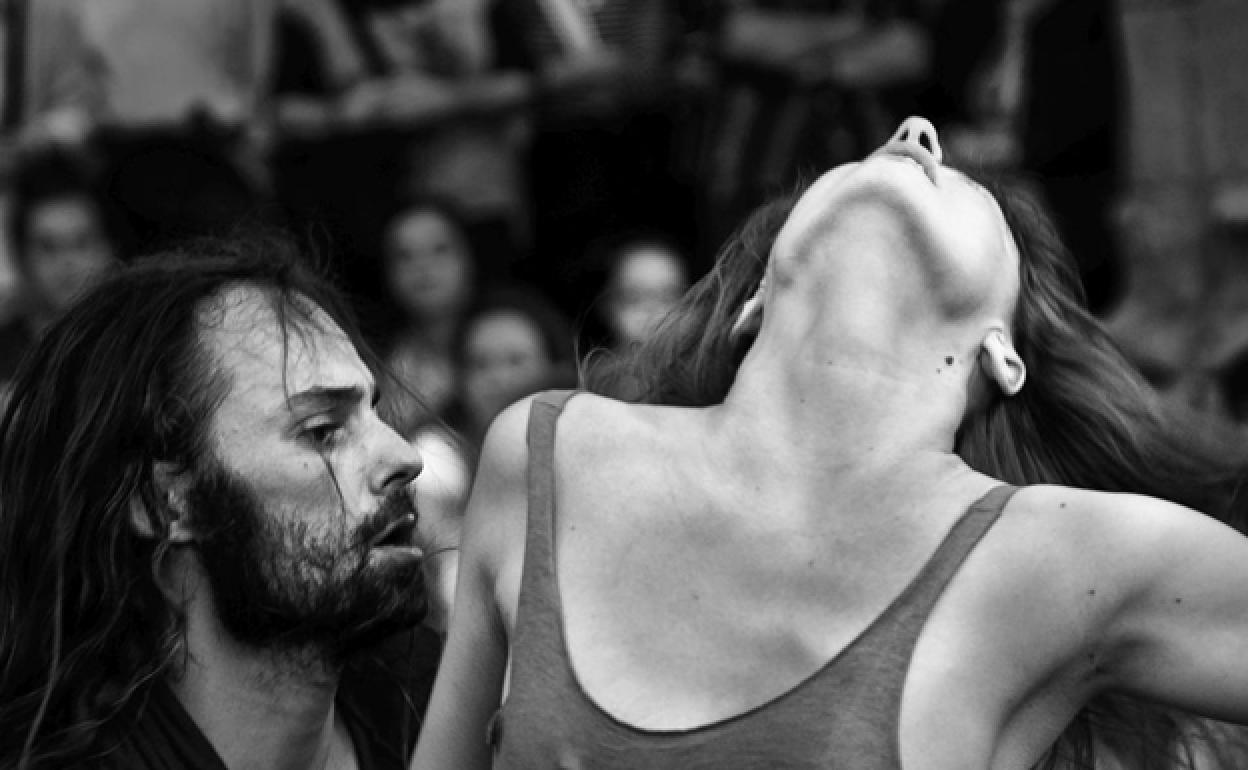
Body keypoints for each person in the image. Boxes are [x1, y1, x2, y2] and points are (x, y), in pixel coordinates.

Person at [412, 117, 1248, 769]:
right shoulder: (550, 454)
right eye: (863, 158)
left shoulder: (1060, 557)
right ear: (754, 301)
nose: (915, 136)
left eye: (963, 186)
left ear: (1004, 357)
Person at [0, 235, 442, 769]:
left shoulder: (438, 708)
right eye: (323, 430)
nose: (403, 455)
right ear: (167, 503)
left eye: (374, 413)